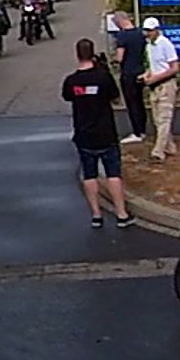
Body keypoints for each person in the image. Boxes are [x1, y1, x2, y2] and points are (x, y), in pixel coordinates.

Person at [62, 38, 134, 229]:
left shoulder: (72, 81)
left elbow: (67, 96)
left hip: (84, 134)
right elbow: (115, 97)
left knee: (89, 175)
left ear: (77, 55)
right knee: (113, 174)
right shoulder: (103, 77)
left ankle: (96, 215)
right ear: (92, 53)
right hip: (106, 132)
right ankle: (121, 213)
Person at [140, 17, 180, 161]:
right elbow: (153, 66)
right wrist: (146, 75)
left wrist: (156, 78)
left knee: (164, 118)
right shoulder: (149, 45)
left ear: (157, 30)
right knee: (158, 120)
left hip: (166, 84)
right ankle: (169, 146)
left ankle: (158, 152)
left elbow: (174, 68)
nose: (147, 33)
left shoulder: (165, 44)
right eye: (146, 30)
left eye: (150, 31)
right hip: (155, 85)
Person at [110, 11, 149, 143]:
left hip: (128, 72)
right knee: (140, 102)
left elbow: (120, 57)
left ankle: (137, 132)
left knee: (132, 103)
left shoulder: (122, 36)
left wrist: (114, 58)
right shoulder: (140, 33)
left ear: (119, 21)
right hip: (140, 70)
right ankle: (143, 129)